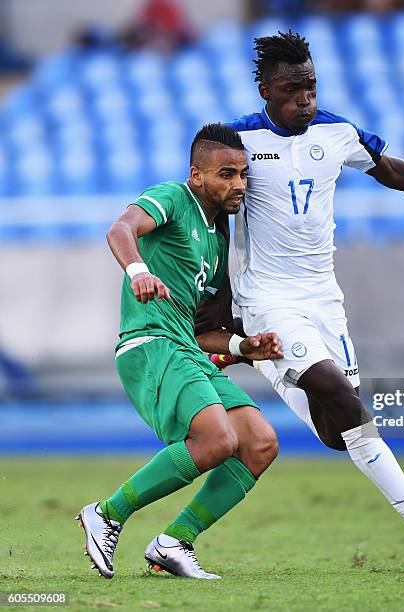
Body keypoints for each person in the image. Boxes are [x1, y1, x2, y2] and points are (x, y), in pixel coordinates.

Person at [206, 31, 404, 574]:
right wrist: (221, 305)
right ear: (265, 90)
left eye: (311, 87)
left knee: (339, 430)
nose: (305, 99)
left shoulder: (338, 130)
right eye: (292, 90)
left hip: (325, 299)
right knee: (340, 399)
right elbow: (212, 209)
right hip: (269, 299)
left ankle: (264, 363)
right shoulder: (239, 142)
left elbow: (391, 170)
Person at [76, 123, 282, 580]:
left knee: (260, 443)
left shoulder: (214, 238)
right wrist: (137, 271)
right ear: (197, 176)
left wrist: (242, 347)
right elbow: (121, 228)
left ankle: (174, 542)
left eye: (243, 175)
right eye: (226, 174)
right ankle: (107, 513)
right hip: (150, 343)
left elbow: (203, 330)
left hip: (185, 347)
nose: (238, 185)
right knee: (217, 440)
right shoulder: (172, 197)